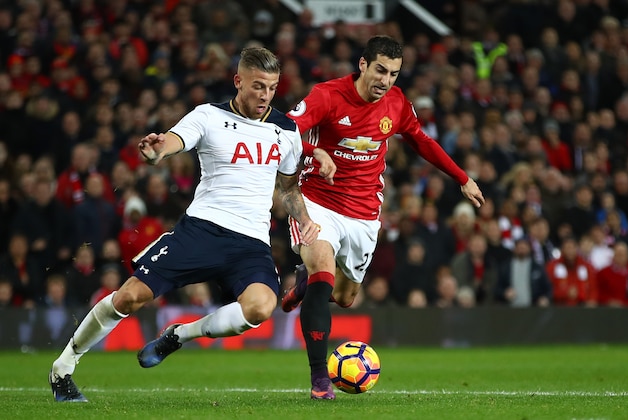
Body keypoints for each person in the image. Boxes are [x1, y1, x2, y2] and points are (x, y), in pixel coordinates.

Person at [48, 47, 320, 403]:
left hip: (251, 244)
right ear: (238, 81)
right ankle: (63, 369)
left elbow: (287, 188)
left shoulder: (286, 130)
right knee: (129, 298)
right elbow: (174, 141)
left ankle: (179, 335)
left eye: (271, 87)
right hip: (201, 230)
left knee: (259, 308)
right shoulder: (207, 116)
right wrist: (158, 150)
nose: (265, 95)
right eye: (257, 86)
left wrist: (305, 219)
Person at [281, 35, 484, 400]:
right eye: (379, 70)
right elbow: (286, 130)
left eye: (393, 73)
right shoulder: (327, 96)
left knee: (343, 297)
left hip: (364, 213)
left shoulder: (396, 103)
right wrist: (315, 151)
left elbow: (421, 140)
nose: (385, 80)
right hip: (317, 200)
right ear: (362, 64)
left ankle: (303, 284)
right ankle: (319, 379)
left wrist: (462, 178)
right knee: (323, 274)